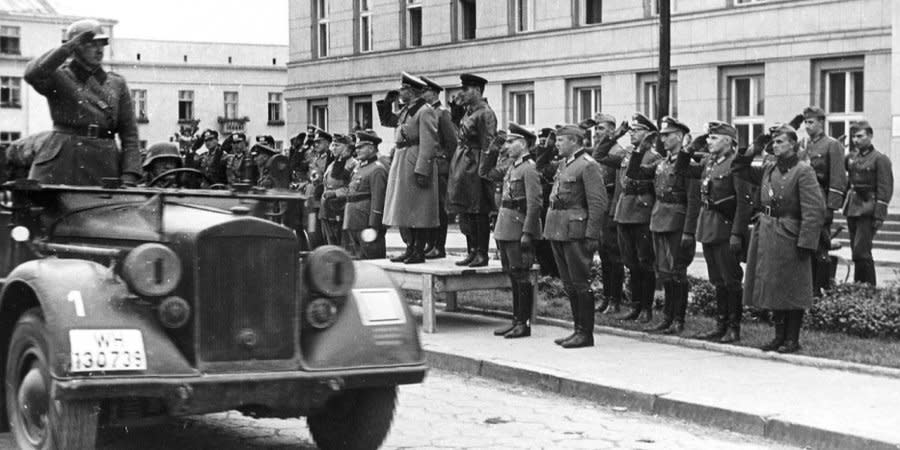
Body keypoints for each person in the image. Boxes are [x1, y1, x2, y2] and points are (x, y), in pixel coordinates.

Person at [735, 125, 825, 353]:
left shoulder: (803, 171)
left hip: (791, 233)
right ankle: (778, 337)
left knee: (791, 287)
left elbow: (814, 209)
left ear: (793, 145)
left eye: (780, 142)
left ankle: (792, 339)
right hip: (767, 232)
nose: (775, 146)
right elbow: (739, 167)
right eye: (773, 142)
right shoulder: (769, 168)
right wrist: (755, 146)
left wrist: (806, 242)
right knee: (773, 285)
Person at [23, 19, 140, 186]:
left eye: (102, 43)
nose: (99, 49)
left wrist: (130, 175)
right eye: (91, 44)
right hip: (63, 159)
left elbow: (129, 134)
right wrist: (66, 49)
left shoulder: (117, 83)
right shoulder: (59, 76)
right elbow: (32, 73)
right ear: (75, 48)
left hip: (104, 161)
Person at [676, 121, 752, 343]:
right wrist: (688, 149)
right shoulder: (709, 162)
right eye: (708, 137)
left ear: (728, 141)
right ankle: (720, 325)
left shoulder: (735, 165)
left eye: (714, 138)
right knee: (717, 279)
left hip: (726, 228)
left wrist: (737, 233)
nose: (709, 141)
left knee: (731, 279)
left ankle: (733, 328)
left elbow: (744, 203)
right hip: (709, 225)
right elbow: (681, 169)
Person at [625, 117, 700, 335]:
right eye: (663, 135)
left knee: (678, 273)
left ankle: (678, 319)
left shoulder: (688, 165)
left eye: (668, 135)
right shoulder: (661, 163)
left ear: (680, 137)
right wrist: (640, 149)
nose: (664, 139)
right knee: (665, 273)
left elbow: (693, 201)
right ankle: (667, 317)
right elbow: (634, 173)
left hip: (677, 222)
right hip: (659, 219)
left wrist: (688, 231)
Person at [544, 125, 607, 348]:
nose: (557, 144)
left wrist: (591, 235)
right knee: (569, 284)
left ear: (574, 141)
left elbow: (598, 204)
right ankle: (576, 329)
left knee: (580, 283)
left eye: (561, 140)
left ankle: (585, 333)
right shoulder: (564, 164)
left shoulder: (588, 166)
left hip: (576, 232)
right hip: (558, 229)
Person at [479, 124, 543, 338]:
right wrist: (493, 149)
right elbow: (486, 173)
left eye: (510, 142)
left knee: (521, 275)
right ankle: (516, 320)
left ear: (522, 144)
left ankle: (523, 323)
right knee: (513, 275)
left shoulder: (529, 168)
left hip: (518, 228)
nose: (506, 146)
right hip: (506, 227)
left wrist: (528, 232)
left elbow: (534, 204)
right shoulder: (512, 167)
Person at [382, 72, 441, 264]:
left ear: (412, 91)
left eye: (403, 88)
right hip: (403, 157)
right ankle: (410, 248)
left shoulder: (424, 111)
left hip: (414, 159)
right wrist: (386, 103)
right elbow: (388, 121)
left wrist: (422, 169)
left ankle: (418, 250)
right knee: (406, 207)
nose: (400, 91)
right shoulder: (408, 110)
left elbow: (429, 142)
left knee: (418, 208)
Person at [614, 113, 661, 323]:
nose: (632, 133)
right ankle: (635, 305)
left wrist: (643, 148)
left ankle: (646, 307)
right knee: (630, 262)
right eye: (631, 130)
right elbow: (601, 153)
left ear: (648, 134)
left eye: (637, 130)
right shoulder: (628, 154)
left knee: (645, 262)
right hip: (625, 211)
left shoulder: (654, 157)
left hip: (641, 213)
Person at [447, 73, 498, 267]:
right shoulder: (469, 111)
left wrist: (484, 170)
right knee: (467, 209)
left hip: (476, 163)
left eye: (466, 89)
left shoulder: (485, 112)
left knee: (478, 210)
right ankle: (472, 251)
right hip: (464, 163)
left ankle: (481, 253)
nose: (463, 93)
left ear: (477, 90)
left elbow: (490, 144)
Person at [799, 106, 847, 295]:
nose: (808, 126)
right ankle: (808, 289)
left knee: (820, 248)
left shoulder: (831, 145)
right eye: (806, 122)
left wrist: (830, 208)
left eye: (811, 122)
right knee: (807, 246)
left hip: (821, 202)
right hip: (804, 203)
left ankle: (820, 290)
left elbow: (838, 179)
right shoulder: (805, 145)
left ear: (821, 122)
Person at [843, 120, 894, 285]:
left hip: (868, 209)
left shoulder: (880, 159)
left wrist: (879, 215)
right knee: (856, 251)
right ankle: (860, 286)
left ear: (870, 136)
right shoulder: (852, 158)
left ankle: (867, 288)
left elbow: (885, 188)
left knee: (862, 251)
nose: (856, 140)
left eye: (860, 136)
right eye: (854, 137)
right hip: (852, 207)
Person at [590, 114, 629, 314]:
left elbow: (620, 186)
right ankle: (606, 297)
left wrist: (614, 211)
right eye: (596, 129)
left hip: (612, 207)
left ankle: (615, 299)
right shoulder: (598, 151)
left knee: (614, 255)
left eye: (602, 128)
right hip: (600, 208)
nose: (597, 132)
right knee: (604, 254)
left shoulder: (618, 152)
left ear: (612, 131)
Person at [420, 75, 459, 259]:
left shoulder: (442, 113)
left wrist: (448, 165)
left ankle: (439, 245)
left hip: (440, 165)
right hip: (429, 163)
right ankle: (430, 243)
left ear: (434, 93)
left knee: (439, 208)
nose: (422, 94)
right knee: (428, 207)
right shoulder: (425, 111)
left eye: (425, 90)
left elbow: (451, 142)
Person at [343, 130, 389, 259]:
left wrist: (374, 224)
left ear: (371, 148)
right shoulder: (359, 168)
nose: (357, 151)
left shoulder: (377, 169)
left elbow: (378, 199)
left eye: (360, 148)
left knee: (372, 258)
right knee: (358, 259)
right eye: (356, 148)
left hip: (366, 222)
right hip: (354, 220)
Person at [531, 127, 560, 277]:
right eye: (540, 141)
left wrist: (549, 149)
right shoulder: (537, 154)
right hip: (541, 205)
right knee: (540, 243)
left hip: (550, 204)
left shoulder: (557, 157)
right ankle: (545, 273)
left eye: (545, 141)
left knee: (550, 244)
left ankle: (553, 275)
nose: (542, 144)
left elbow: (544, 170)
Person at [320, 134, 358, 246]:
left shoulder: (353, 164)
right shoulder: (333, 164)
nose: (333, 148)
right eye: (333, 145)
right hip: (328, 209)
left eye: (337, 145)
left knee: (344, 244)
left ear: (347, 148)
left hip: (342, 209)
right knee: (330, 242)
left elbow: (354, 188)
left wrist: (335, 193)